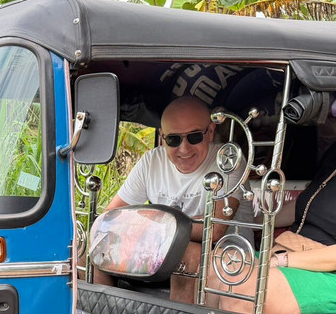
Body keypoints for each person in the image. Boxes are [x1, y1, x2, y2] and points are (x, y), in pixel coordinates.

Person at [208, 94, 336, 314]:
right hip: (296, 256)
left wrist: (282, 261)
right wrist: (256, 221)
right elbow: (304, 205)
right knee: (217, 263)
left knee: (246, 289)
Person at [96, 96, 238, 300]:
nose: (184, 149)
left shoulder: (228, 161)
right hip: (162, 253)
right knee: (97, 248)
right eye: (174, 139)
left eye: (194, 136)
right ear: (162, 137)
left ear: (210, 132)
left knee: (188, 253)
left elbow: (214, 228)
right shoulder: (152, 161)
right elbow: (109, 217)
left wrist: (152, 225)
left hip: (226, 258)